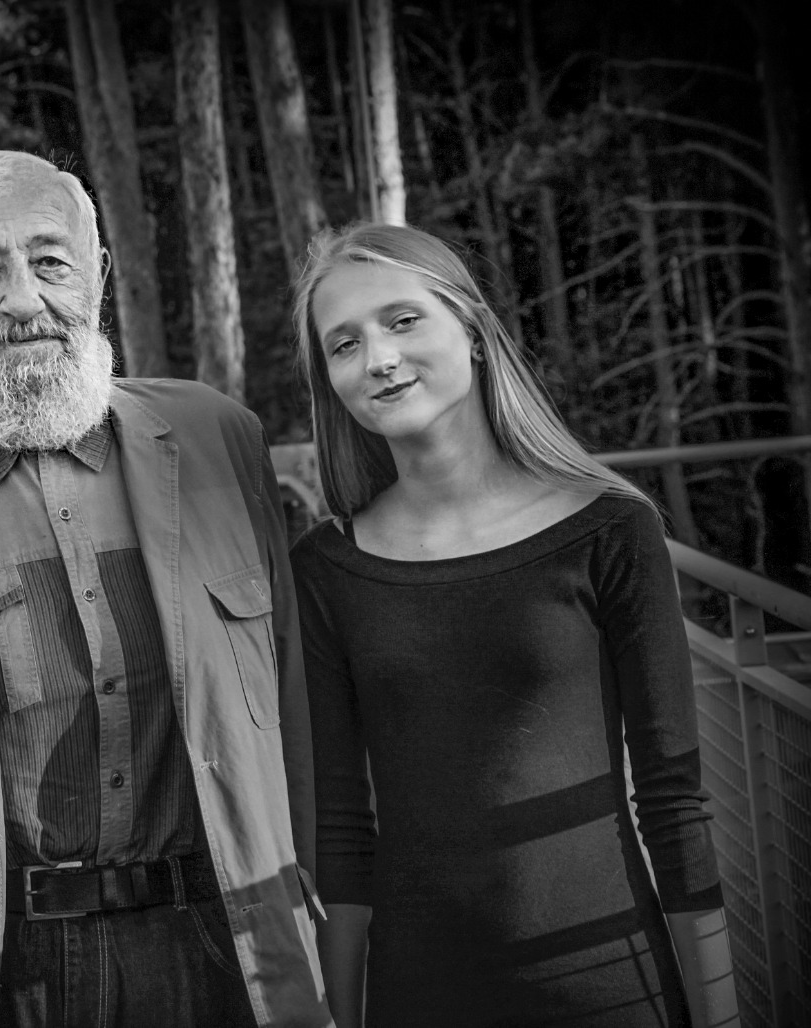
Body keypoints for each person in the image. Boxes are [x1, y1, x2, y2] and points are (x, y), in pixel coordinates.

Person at [0, 150, 332, 1028]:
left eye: (50, 262)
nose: (23, 301)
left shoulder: (220, 440)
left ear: (100, 276)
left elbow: (297, 721)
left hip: (221, 949)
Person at [287, 222, 738, 1027]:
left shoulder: (610, 529)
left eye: (402, 320)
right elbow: (345, 833)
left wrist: (722, 1016)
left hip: (612, 987)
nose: (378, 358)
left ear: (471, 328)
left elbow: (673, 800)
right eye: (344, 344)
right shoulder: (325, 568)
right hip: (419, 995)